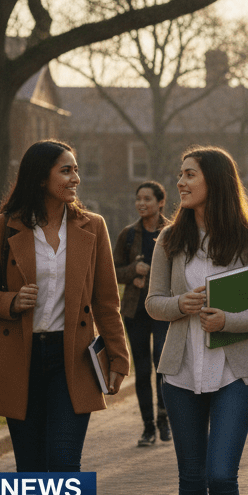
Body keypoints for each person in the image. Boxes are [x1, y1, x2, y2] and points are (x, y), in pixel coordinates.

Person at [0, 140, 129, 472]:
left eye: (76, 170)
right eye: (66, 170)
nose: (76, 179)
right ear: (42, 178)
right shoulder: (2, 226)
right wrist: (11, 301)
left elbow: (106, 301)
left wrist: (118, 357)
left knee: (63, 461)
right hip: (20, 356)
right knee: (30, 467)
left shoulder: (93, 226)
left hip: (73, 356)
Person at [145, 146, 248, 495]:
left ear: (215, 182)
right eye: (180, 174)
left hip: (234, 374)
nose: (180, 183)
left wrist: (228, 321)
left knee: (220, 476)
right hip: (180, 373)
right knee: (191, 478)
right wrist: (179, 304)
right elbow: (153, 303)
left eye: (190, 175)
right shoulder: (170, 238)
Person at [114, 181, 172, 446]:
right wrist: (133, 272)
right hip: (135, 311)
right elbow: (113, 270)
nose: (141, 204)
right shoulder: (128, 234)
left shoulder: (173, 233)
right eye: (138, 198)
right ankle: (148, 426)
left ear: (161, 202)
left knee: (163, 363)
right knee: (142, 369)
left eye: (147, 199)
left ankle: (164, 415)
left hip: (163, 310)